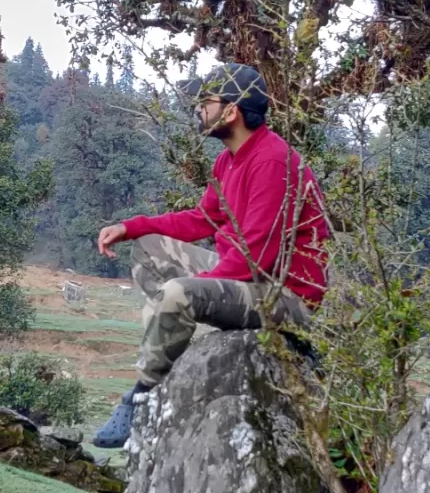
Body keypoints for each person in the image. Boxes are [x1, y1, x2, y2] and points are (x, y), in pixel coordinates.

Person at [92, 62, 329, 448]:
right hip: (248, 279)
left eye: (206, 101)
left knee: (178, 293)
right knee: (150, 250)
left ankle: (143, 393)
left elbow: (255, 254)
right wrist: (132, 226)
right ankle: (173, 344)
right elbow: (203, 218)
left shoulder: (273, 161)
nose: (199, 110)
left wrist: (188, 290)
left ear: (231, 110)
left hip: (284, 297)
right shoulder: (228, 159)